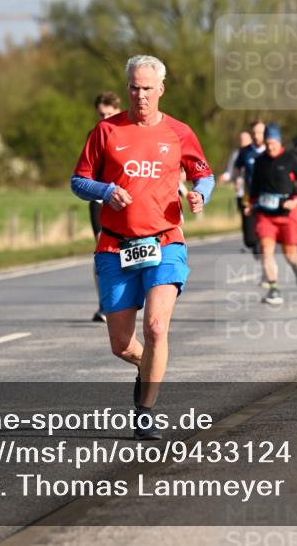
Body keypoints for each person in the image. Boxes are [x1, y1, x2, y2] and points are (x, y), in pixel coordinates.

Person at [70, 55, 214, 440]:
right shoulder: (105, 131)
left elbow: (204, 174)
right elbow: (78, 181)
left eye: (147, 88)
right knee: (121, 345)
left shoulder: (179, 132)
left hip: (165, 241)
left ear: (161, 89)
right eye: (134, 87)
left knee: (155, 327)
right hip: (115, 246)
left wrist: (201, 194)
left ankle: (145, 411)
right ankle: (146, 365)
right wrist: (104, 190)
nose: (140, 95)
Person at [248, 124, 297, 304]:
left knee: (290, 254)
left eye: (273, 143)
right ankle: (274, 289)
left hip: (287, 214)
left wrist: (296, 200)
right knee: (266, 251)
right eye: (267, 143)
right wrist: (251, 204)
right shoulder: (260, 161)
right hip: (265, 215)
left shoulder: (291, 159)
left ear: (279, 142)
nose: (270, 147)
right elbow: (254, 188)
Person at [85, 92, 123, 322]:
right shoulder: (94, 135)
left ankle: (128, 298)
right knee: (102, 248)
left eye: (110, 114)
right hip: (99, 200)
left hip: (125, 200)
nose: (105, 118)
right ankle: (104, 304)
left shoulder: (130, 131)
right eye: (101, 114)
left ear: (118, 111)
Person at [234, 120, 267, 257]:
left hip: (267, 194)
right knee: (249, 239)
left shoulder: (270, 149)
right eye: (254, 133)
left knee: (265, 232)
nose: (257, 136)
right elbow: (237, 168)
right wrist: (238, 179)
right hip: (249, 195)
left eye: (260, 133)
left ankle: (263, 248)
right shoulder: (245, 152)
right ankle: (255, 244)